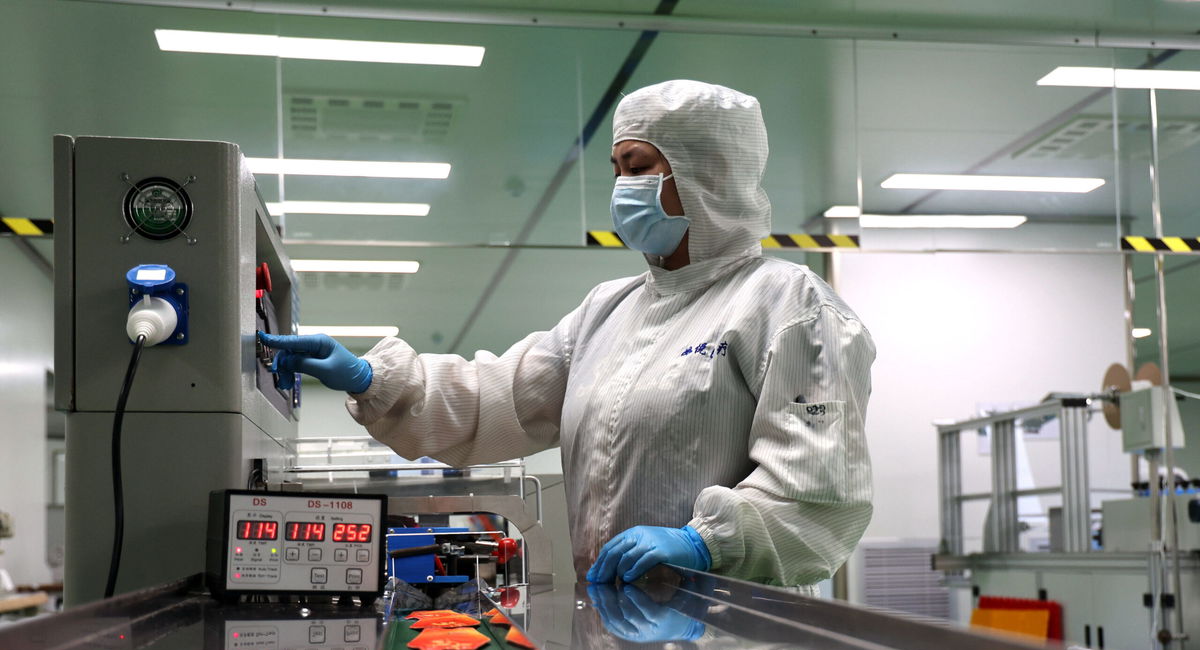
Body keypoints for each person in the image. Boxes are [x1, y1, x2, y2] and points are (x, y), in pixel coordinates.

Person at [260, 79, 875, 590]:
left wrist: (703, 542)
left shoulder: (789, 305)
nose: (621, 188)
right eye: (616, 169)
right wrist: (373, 378)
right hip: (616, 623)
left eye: (638, 167)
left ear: (707, 174)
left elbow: (820, 494)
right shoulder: (607, 311)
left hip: (731, 637)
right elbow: (495, 398)